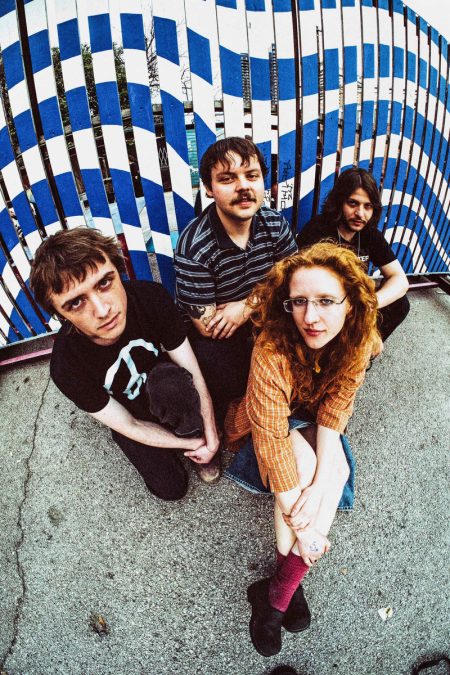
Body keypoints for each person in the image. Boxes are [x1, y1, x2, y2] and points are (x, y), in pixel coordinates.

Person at [224, 242, 380, 657]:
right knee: (304, 464)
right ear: (287, 304)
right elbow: (272, 439)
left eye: (326, 301)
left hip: (313, 417)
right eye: (299, 302)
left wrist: (326, 479)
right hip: (266, 423)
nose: (310, 316)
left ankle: (277, 592)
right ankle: (284, 591)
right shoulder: (271, 348)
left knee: (336, 471)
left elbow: (336, 409)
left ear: (350, 303)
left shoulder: (359, 341)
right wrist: (306, 530)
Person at [29, 228, 221, 498]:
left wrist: (208, 434)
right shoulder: (66, 368)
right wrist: (192, 444)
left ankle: (192, 430)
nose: (102, 310)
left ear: (120, 271)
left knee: (175, 382)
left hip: (164, 383)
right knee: (171, 489)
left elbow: (192, 372)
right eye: (76, 303)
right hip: (129, 410)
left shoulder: (151, 298)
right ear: (61, 315)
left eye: (104, 283)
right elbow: (129, 424)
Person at [174, 136, 297, 426]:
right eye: (227, 179)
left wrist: (247, 305)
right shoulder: (195, 246)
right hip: (222, 339)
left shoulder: (274, 223)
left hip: (260, 316)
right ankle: (236, 415)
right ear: (209, 188)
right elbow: (208, 326)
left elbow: (296, 279)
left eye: (252, 176)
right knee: (214, 360)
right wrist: (273, 291)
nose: (243, 186)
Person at [296, 168, 409, 342]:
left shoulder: (370, 234)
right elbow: (301, 285)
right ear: (339, 202)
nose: (360, 213)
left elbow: (400, 279)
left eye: (367, 206)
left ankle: (364, 349)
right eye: (353, 203)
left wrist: (371, 303)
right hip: (324, 304)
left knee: (400, 304)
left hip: (356, 303)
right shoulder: (317, 230)